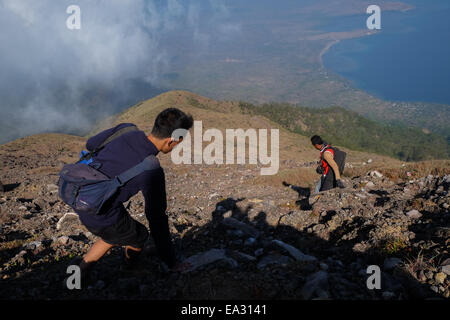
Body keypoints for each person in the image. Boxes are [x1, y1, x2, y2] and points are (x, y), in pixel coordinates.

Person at [74, 108, 193, 277]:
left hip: (78, 189)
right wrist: (172, 262)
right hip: (96, 208)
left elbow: (91, 144)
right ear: (170, 141)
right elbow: (157, 218)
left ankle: (77, 275)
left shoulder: (126, 129)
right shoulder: (151, 168)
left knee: (116, 231)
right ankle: (129, 268)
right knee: (138, 235)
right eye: (178, 143)